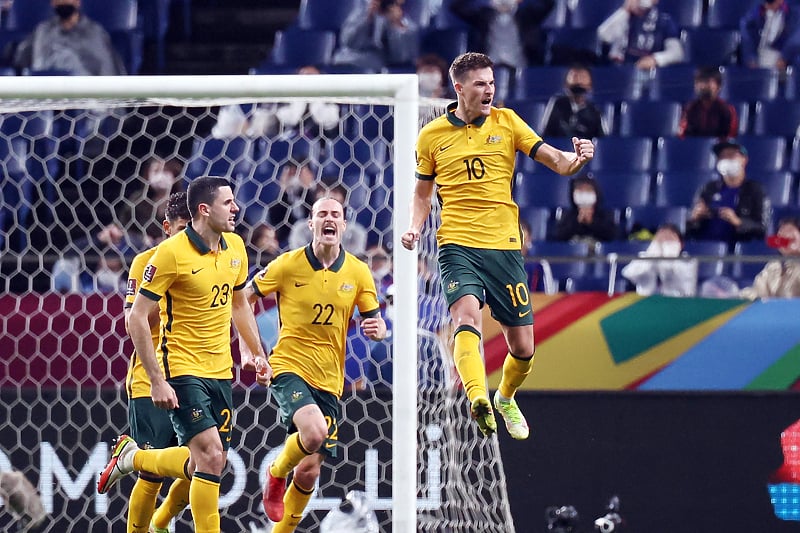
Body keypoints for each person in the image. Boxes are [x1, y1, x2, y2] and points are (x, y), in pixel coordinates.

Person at [401, 52, 595, 439]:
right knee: (465, 316)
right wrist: (414, 227)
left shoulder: (507, 122)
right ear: (459, 88)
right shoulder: (432, 136)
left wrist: (576, 162)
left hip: (504, 246)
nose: (489, 89)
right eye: (480, 83)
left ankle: (506, 396)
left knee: (523, 347)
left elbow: (555, 160)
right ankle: (477, 397)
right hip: (457, 243)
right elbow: (422, 194)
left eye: (491, 82)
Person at [96, 177, 271, 533]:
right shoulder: (159, 258)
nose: (236, 209)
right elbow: (136, 317)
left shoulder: (235, 248)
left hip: (219, 372)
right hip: (163, 373)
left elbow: (239, 303)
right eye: (228, 203)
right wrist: (157, 379)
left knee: (207, 462)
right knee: (163, 473)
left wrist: (255, 352)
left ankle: (155, 511)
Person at [245, 195, 386, 533]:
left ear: (344, 225)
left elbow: (376, 322)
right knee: (314, 431)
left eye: (335, 215)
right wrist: (251, 350)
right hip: (289, 366)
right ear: (310, 224)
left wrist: (377, 330)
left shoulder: (358, 271)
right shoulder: (287, 264)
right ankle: (276, 472)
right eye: (321, 214)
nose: (329, 219)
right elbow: (245, 297)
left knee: (308, 470)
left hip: (330, 379)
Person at [121, 192, 191, 533]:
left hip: (196, 375)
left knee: (207, 463)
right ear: (166, 228)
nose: (190, 234)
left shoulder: (217, 259)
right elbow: (133, 319)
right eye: (182, 228)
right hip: (152, 380)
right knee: (151, 476)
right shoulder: (147, 263)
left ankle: (161, 524)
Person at [212, 65, 341, 141]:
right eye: (303, 77)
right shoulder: (284, 100)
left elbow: (329, 122)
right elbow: (287, 119)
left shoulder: (329, 102)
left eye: (311, 78)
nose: (307, 81)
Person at [686, 138, 769, 250]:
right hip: (704, 249)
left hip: (735, 251)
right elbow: (690, 226)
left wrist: (738, 222)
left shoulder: (755, 190)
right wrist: (694, 218)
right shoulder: (708, 189)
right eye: (722, 157)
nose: (726, 160)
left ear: (744, 159)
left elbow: (762, 229)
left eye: (731, 155)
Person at [13, 0, 126, 75]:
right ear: (52, 3)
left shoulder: (94, 32)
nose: (63, 1)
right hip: (45, 99)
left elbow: (105, 69)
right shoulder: (43, 30)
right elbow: (23, 60)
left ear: (78, 2)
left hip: (84, 100)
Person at [449, 0, 555, 67]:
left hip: (521, 67)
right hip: (488, 67)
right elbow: (456, 5)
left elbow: (548, 3)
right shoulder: (483, 14)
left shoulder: (528, 14)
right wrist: (488, 2)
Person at [332, 0, 419, 72]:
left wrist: (395, 25)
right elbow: (348, 42)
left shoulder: (406, 24)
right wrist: (368, 18)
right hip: (344, 62)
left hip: (371, 68)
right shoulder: (361, 13)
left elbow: (400, 57)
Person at [597, 0, 684, 70]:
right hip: (616, 70)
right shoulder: (617, 14)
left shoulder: (665, 21)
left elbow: (676, 53)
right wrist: (625, 11)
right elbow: (604, 36)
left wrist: (655, 59)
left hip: (648, 73)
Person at [287, 185, 368, 257]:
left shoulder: (356, 233)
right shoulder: (301, 229)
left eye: (335, 193)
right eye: (323, 191)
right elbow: (298, 258)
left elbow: (353, 262)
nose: (329, 195)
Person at [120, 157, 185, 244]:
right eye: (156, 171)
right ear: (147, 175)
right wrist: (142, 238)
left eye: (165, 171)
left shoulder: (184, 201)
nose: (161, 176)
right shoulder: (138, 200)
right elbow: (124, 227)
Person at [621, 223, 698, 297]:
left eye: (669, 239)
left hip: (676, 303)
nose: (664, 242)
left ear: (680, 244)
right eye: (660, 238)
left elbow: (669, 275)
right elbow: (629, 274)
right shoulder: (645, 256)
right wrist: (651, 256)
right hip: (646, 302)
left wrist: (669, 256)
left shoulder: (688, 261)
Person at [740, 216, 800, 299]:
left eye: (791, 239)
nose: (786, 239)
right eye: (782, 237)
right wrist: (743, 295)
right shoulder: (773, 266)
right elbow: (758, 291)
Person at [542, 64, 607, 139]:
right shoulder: (558, 104)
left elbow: (601, 140)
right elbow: (546, 135)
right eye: (575, 77)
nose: (579, 80)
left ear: (590, 86)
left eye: (583, 77)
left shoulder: (595, 110)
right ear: (566, 85)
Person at [553, 175, 618, 245]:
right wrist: (576, 222)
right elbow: (559, 237)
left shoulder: (604, 215)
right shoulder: (569, 215)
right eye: (580, 189)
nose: (584, 193)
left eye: (588, 189)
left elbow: (612, 236)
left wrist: (592, 222)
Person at [677, 67, 739, 140]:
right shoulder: (690, 108)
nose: (703, 86)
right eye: (699, 82)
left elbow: (731, 136)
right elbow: (683, 136)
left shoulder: (726, 109)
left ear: (718, 86)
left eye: (707, 82)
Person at [740, 0, 800, 70]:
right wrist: (751, 60)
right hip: (759, 57)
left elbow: (795, 38)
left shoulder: (794, 13)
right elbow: (747, 38)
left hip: (782, 56)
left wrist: (784, 58)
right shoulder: (754, 15)